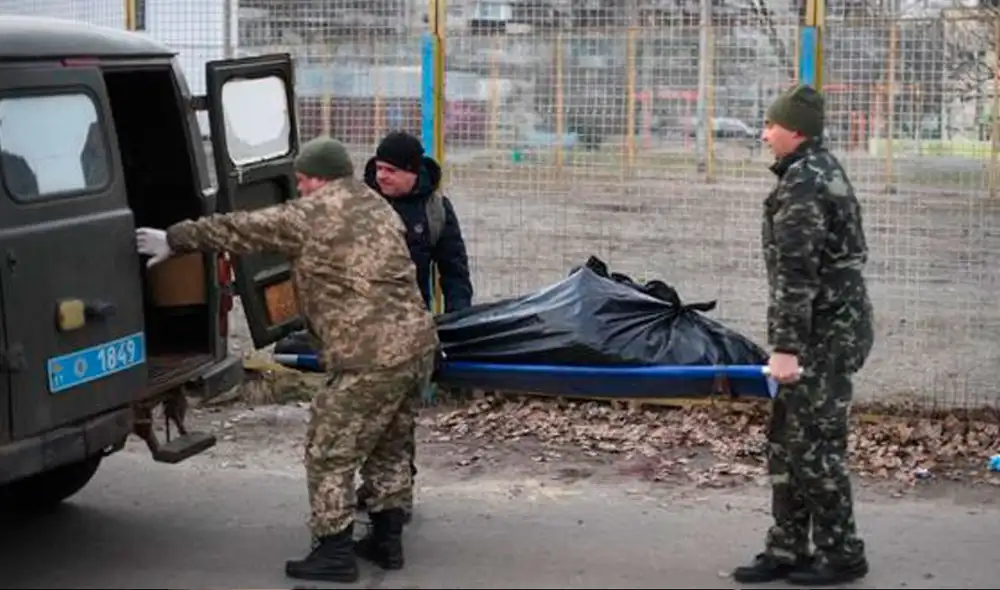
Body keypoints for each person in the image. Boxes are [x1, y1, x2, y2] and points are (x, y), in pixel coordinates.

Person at [135, 136, 440, 583]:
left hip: (368, 357)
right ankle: (386, 540)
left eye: (301, 180)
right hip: (415, 347)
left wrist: (174, 239)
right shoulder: (377, 206)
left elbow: (239, 228)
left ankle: (334, 552)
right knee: (389, 444)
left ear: (319, 178)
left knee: (329, 452)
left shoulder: (311, 213)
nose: (298, 188)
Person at [732, 84, 874, 586]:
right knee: (787, 444)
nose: (765, 133)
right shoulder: (812, 172)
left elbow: (798, 274)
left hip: (822, 338)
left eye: (771, 125)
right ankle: (789, 546)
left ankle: (841, 554)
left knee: (813, 447)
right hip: (824, 331)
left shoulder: (807, 183)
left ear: (795, 130)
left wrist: (787, 349)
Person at [356, 130, 474, 517]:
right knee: (362, 417)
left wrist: (455, 326)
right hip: (359, 330)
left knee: (398, 419)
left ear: (412, 172)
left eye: (390, 170)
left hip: (408, 334)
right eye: (378, 168)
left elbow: (454, 272)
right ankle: (377, 489)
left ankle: (395, 496)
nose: (381, 176)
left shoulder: (435, 210)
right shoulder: (359, 204)